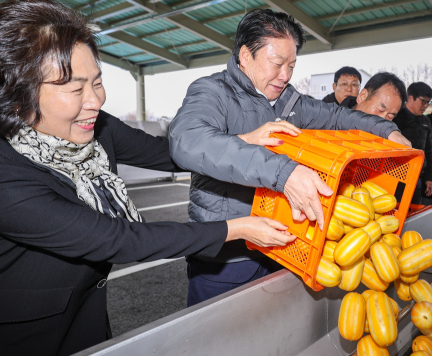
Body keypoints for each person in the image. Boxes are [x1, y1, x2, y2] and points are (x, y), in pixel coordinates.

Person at [0, 2, 297, 355]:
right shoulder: (7, 177)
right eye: (75, 89)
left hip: (87, 319)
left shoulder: (96, 126)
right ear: (17, 98)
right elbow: (119, 239)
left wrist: (237, 143)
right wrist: (238, 228)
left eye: (97, 82)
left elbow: (169, 153)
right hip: (25, 334)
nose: (95, 100)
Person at [168, 9, 410, 306]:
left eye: (292, 66)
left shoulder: (290, 100)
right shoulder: (213, 92)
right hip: (227, 255)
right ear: (246, 55)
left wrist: (387, 130)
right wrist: (284, 173)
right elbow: (187, 140)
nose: (285, 75)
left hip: (282, 248)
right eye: (277, 63)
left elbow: (337, 117)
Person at [391, 82, 432, 204]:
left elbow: (428, 151)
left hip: (418, 178)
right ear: (410, 98)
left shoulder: (426, 121)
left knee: (414, 212)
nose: (426, 105)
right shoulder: (395, 117)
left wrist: (429, 178)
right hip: (396, 177)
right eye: (423, 101)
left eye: (428, 102)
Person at [339, 72, 406, 123]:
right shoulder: (331, 121)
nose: (382, 120)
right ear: (362, 96)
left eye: (390, 117)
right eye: (380, 110)